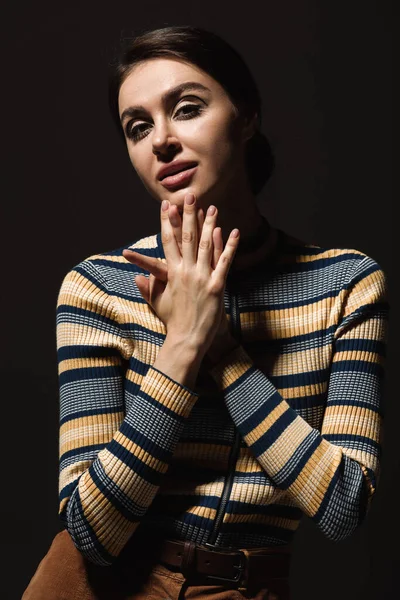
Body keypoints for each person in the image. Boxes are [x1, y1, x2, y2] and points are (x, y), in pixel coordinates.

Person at [22, 25, 389, 600]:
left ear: (245, 117)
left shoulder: (347, 285)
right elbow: (92, 534)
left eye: (186, 109)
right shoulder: (98, 289)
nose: (160, 140)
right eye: (137, 127)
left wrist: (217, 347)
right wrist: (180, 347)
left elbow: (343, 508)